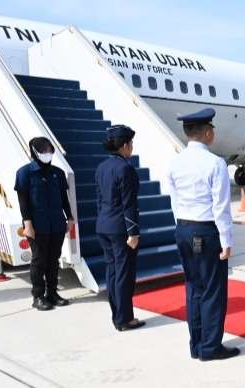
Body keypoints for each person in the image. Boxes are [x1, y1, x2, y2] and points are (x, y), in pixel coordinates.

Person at [165, 108, 238, 361]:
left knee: (193, 288)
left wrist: (181, 226)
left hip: (183, 228)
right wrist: (227, 240)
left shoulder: (175, 161)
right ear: (207, 132)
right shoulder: (215, 163)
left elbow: (174, 200)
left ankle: (196, 344)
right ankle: (210, 347)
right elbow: (221, 206)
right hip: (207, 231)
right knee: (213, 290)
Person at [95, 125, 145, 331]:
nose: (132, 147)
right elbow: (129, 203)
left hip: (103, 225)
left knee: (112, 272)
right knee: (124, 274)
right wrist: (133, 232)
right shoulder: (125, 168)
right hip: (120, 228)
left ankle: (117, 314)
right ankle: (124, 319)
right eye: (131, 144)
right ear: (124, 146)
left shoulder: (101, 167)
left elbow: (99, 200)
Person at [15, 137, 73, 311]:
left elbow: (64, 198)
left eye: (50, 149)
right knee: (39, 260)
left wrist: (69, 218)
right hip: (37, 225)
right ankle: (38, 296)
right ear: (34, 152)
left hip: (56, 223)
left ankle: (52, 293)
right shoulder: (24, 173)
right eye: (44, 150)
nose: (48, 153)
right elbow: (23, 201)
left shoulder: (58, 173)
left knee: (53, 260)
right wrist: (27, 224)